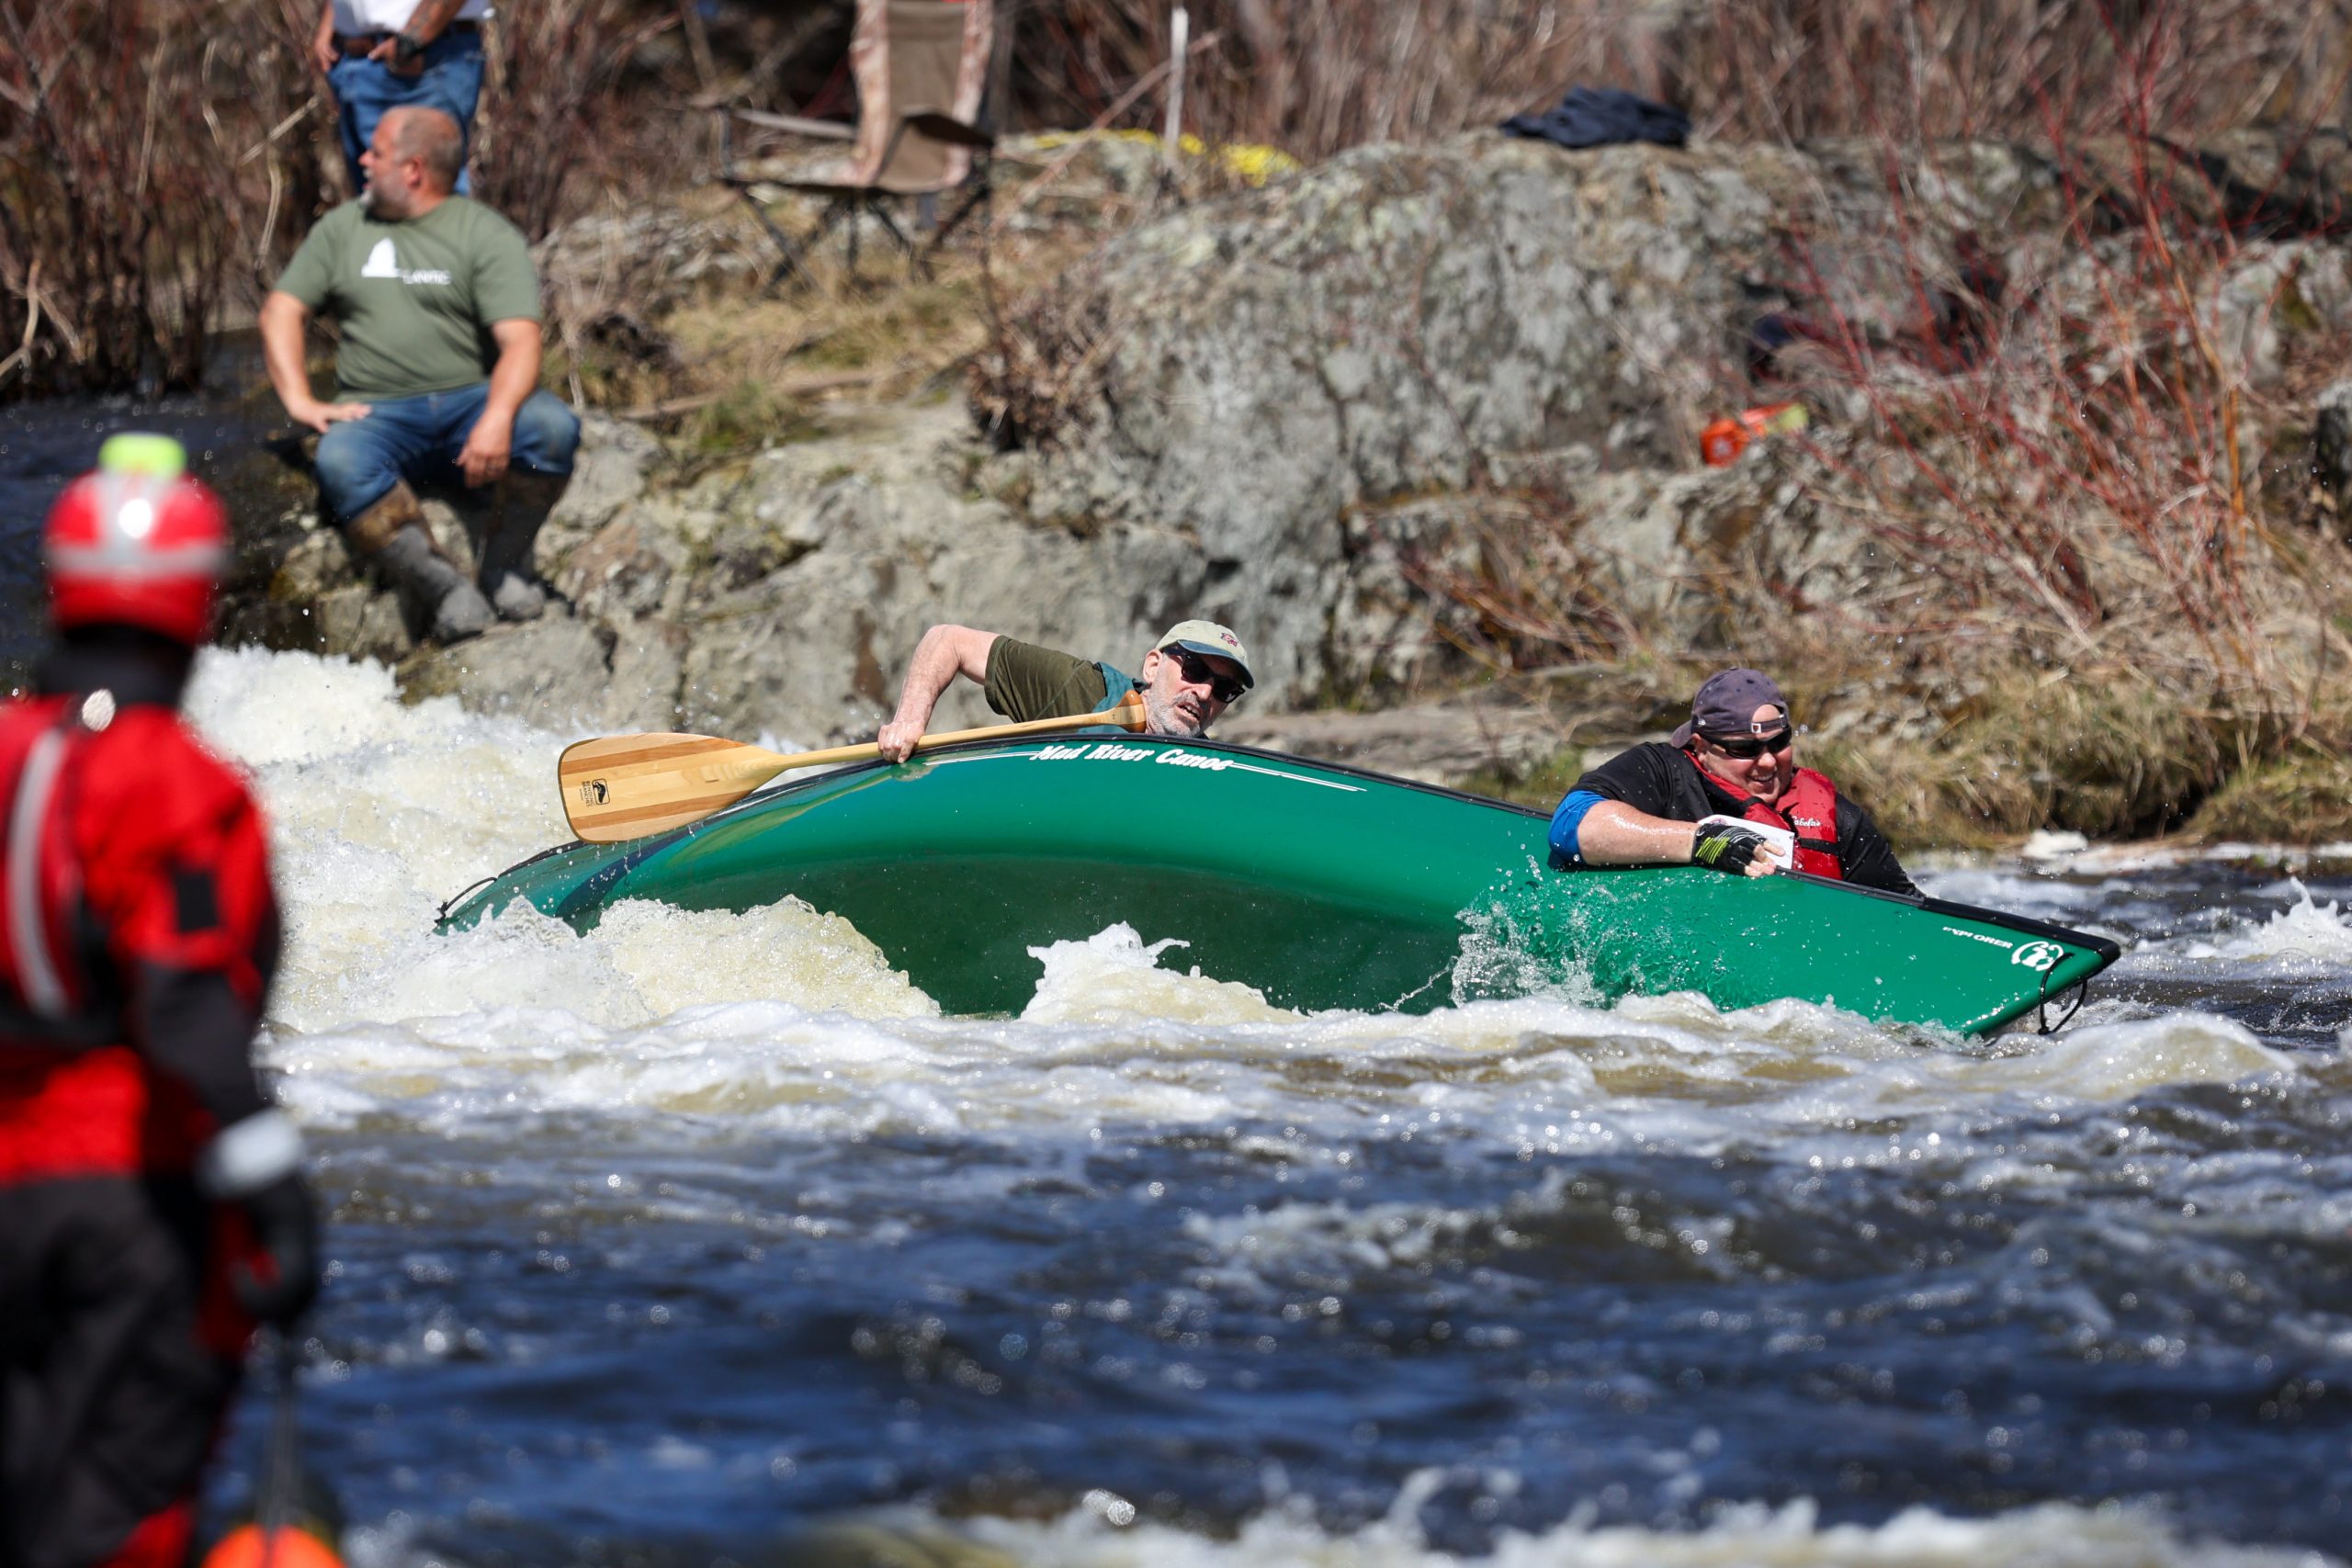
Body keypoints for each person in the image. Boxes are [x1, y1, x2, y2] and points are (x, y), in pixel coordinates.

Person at [1, 435, 321, 1568]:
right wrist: (276, 1188)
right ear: (202, 604)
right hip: (127, 1202)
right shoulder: (180, 784)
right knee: (114, 1523)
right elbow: (186, 1004)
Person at [260, 104, 578, 644]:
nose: (363, 159)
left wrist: (498, 417)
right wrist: (299, 400)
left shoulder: (484, 233)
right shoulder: (342, 230)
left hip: (471, 403)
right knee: (340, 460)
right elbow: (281, 311)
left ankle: (503, 566)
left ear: (413, 169)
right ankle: (445, 586)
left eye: (376, 151)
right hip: (378, 411)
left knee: (551, 429)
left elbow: (522, 339)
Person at [1549, 666, 1917, 894]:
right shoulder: (1662, 769)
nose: (1769, 762)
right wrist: (1701, 842)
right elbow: (1570, 825)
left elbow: (1911, 914)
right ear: (1701, 746)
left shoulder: (1836, 816)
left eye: (1779, 743)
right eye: (1745, 750)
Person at [876, 620, 1255, 762]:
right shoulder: (1084, 692)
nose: (1204, 693)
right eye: (1194, 669)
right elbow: (948, 641)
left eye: (1224, 688)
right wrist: (909, 722)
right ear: (1153, 666)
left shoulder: (1215, 770)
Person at [311, 0, 487, 197]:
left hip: (420, 59)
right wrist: (331, 21)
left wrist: (411, 42)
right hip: (353, 61)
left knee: (428, 203)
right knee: (374, 206)